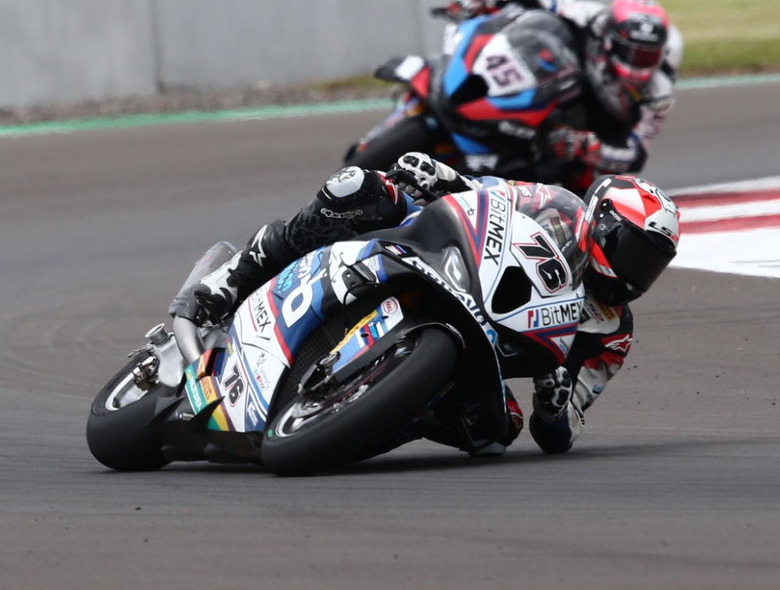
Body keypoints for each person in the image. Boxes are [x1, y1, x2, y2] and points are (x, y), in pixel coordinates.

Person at [178, 152, 680, 454]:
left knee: (498, 430)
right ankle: (236, 274)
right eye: (635, 252)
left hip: (486, 360)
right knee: (355, 188)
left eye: (652, 264)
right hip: (446, 257)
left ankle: (363, 419)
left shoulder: (614, 331)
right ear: (603, 224)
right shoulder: (555, 207)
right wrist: (441, 177)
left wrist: (555, 403)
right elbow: (487, 194)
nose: (638, 273)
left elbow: (562, 429)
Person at [437, 0, 680, 191]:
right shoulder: (591, 17)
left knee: (590, 182)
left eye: (646, 57)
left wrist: (588, 146)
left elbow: (635, 155)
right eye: (631, 54)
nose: (637, 66)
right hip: (560, 85)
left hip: (595, 126)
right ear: (610, 40)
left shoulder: (658, 92)